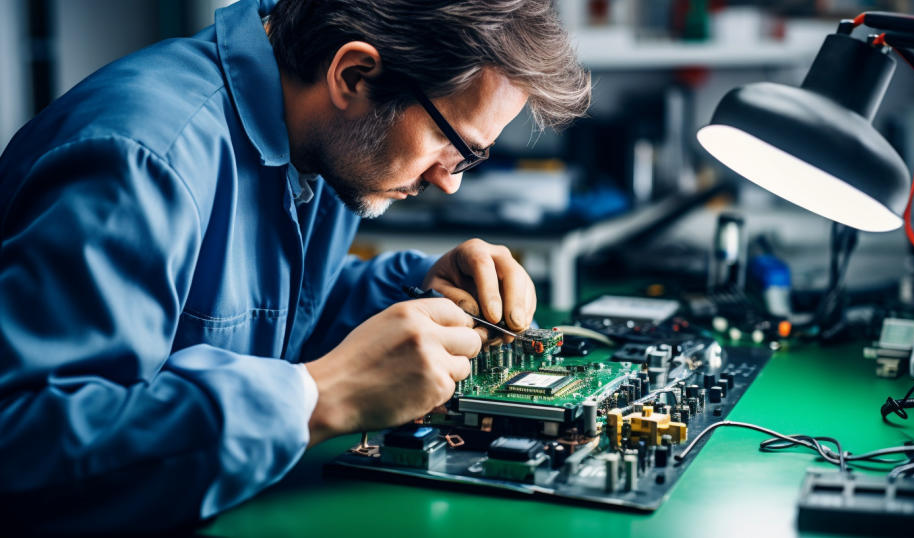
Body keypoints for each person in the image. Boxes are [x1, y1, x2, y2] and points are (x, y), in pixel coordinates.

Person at [0, 0, 589, 532]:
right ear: (354, 74)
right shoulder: (138, 158)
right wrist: (315, 398)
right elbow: (27, 441)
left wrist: (416, 291)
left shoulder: (323, 135)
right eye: (454, 147)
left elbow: (265, 314)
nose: (450, 184)